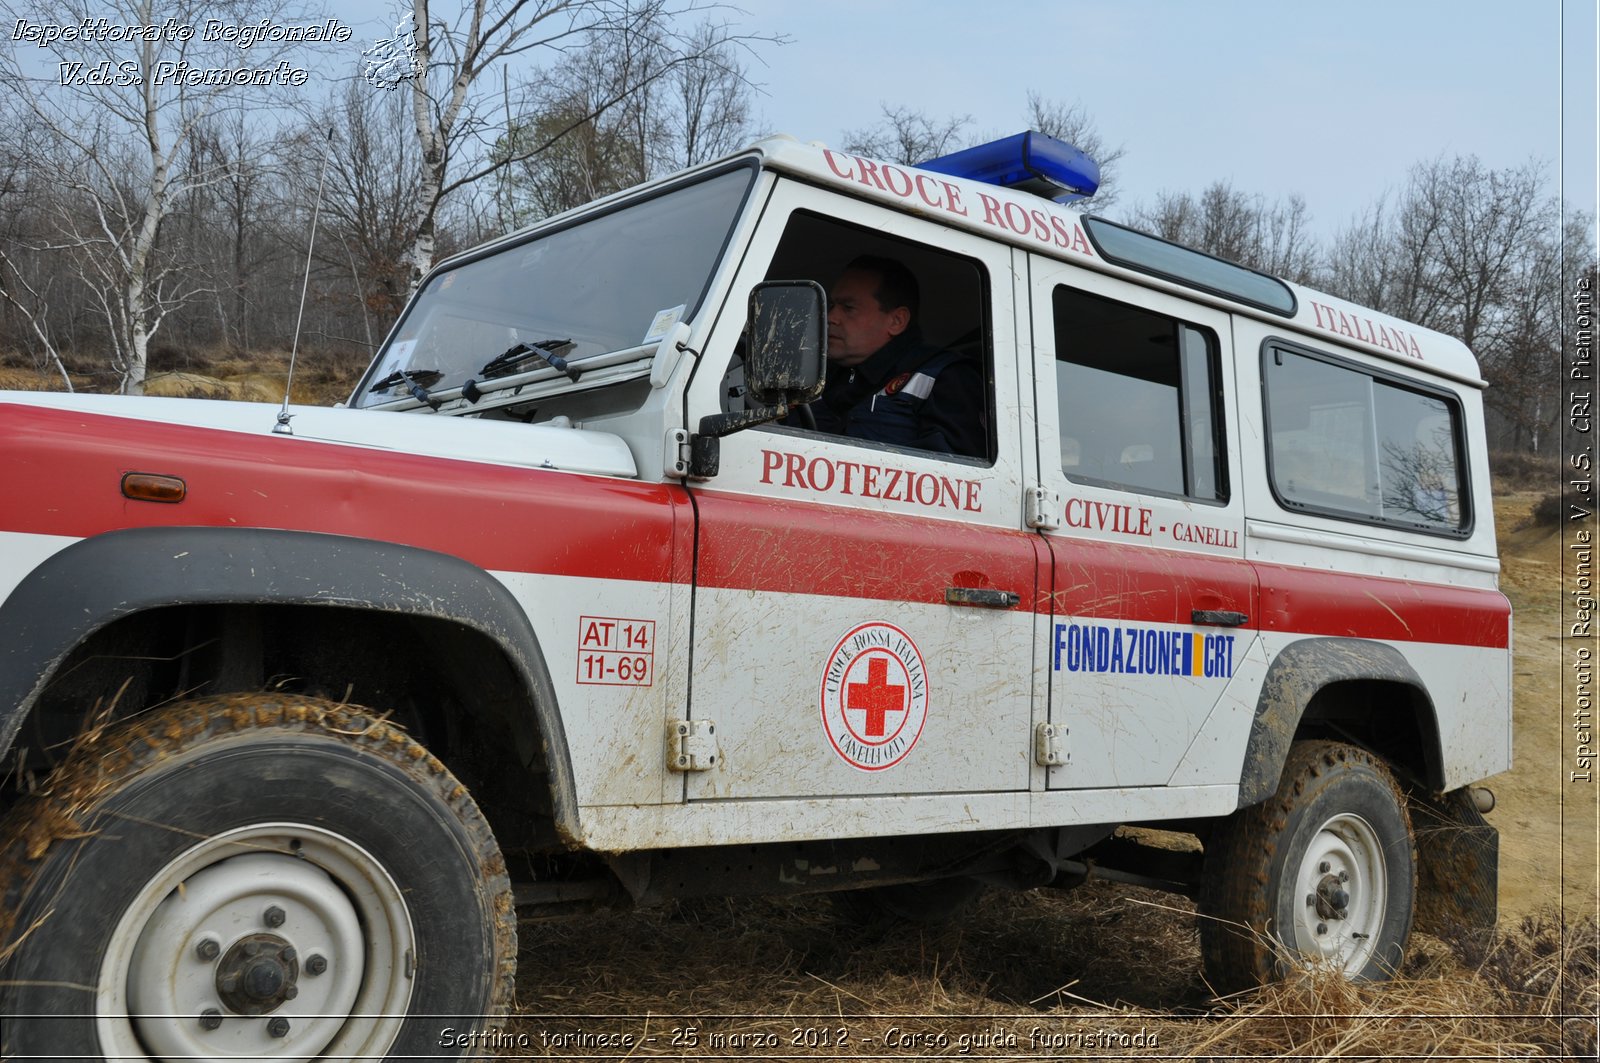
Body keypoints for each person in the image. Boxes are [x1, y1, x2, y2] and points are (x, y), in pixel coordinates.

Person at [804, 256, 986, 459]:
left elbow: (955, 481)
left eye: (848, 307)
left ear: (897, 321)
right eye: (832, 306)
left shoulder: (947, 378)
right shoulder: (815, 377)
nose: (831, 317)